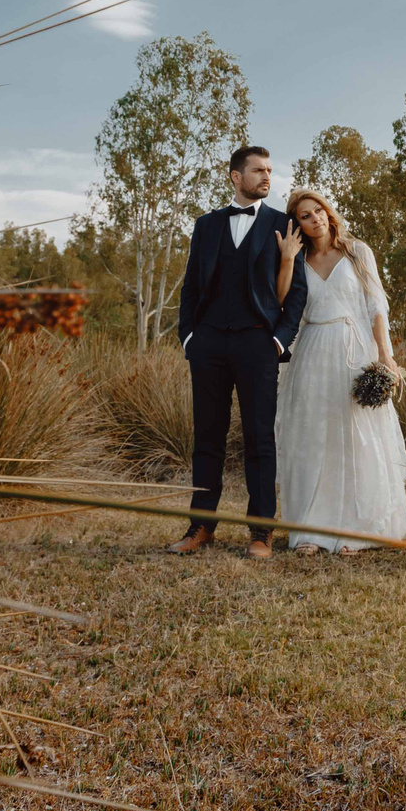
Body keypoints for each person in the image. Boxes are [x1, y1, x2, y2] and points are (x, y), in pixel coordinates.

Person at [167, 146, 307, 559]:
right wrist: (189, 337)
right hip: (208, 343)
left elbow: (296, 291)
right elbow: (191, 285)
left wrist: (279, 340)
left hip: (258, 344)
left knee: (260, 440)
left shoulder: (283, 223)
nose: (266, 177)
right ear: (235, 176)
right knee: (206, 438)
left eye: (269, 170)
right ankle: (200, 527)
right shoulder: (206, 225)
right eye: (258, 170)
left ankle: (260, 533)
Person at [272, 185, 406, 554]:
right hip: (313, 351)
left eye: (318, 210)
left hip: (355, 351)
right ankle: (311, 532)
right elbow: (283, 303)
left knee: (356, 437)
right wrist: (287, 259)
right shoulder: (298, 260)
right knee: (314, 438)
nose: (314, 218)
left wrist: (386, 354)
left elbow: (376, 305)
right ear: (298, 224)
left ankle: (357, 530)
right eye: (305, 215)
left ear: (328, 212)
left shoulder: (357, 252)